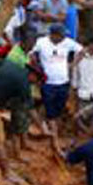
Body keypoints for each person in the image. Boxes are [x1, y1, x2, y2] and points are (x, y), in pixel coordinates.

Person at [32, 24, 82, 155]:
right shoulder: (41, 42)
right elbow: (31, 53)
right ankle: (55, 144)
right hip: (48, 83)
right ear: (53, 34)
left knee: (58, 111)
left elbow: (81, 50)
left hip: (63, 82)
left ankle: (53, 135)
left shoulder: (67, 42)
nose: (63, 37)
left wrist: (72, 64)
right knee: (51, 113)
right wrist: (38, 69)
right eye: (61, 34)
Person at [0, 55, 33, 160]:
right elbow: (31, 109)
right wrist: (42, 128)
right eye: (37, 81)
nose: (34, 84)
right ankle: (1, 165)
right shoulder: (24, 84)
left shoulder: (11, 65)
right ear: (33, 76)